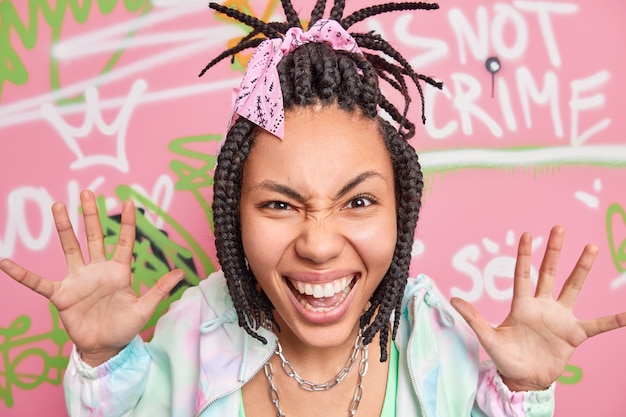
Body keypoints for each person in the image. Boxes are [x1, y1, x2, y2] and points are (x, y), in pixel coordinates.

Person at [1, 1, 624, 416]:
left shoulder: (438, 340)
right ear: (234, 218)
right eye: (279, 203)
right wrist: (105, 363)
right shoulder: (193, 332)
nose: (320, 245)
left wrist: (522, 391)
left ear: (400, 214)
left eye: (358, 201)